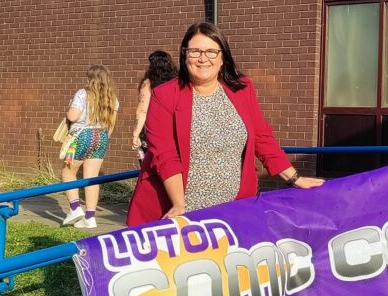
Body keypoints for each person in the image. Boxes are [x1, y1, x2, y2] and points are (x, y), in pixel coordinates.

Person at [127, 22, 324, 226]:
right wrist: (179, 205)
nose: (203, 59)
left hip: (232, 211)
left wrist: (295, 179)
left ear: (223, 58)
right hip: (181, 213)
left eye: (212, 52)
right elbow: (166, 154)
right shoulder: (165, 95)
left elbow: (261, 137)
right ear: (184, 55)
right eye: (195, 51)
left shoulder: (242, 88)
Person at [62, 65, 119, 229]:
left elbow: (73, 116)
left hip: (82, 135)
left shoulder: (82, 93)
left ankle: (74, 209)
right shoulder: (112, 98)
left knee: (68, 171)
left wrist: (70, 107)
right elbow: (111, 124)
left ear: (91, 79)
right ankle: (90, 217)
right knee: (92, 178)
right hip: (101, 137)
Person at [132, 50, 178, 162]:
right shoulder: (177, 82)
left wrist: (135, 134)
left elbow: (142, 111)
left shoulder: (149, 83)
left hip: (153, 131)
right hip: (173, 130)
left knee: (149, 165)